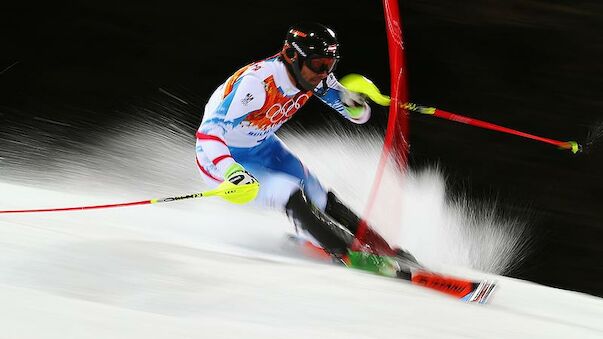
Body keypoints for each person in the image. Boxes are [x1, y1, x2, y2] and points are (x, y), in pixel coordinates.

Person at [195, 22, 412, 267]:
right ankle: (347, 253)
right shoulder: (257, 83)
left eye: (330, 66)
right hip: (219, 159)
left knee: (317, 192)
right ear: (291, 56)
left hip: (262, 145)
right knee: (289, 191)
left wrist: (357, 104)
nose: (324, 74)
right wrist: (231, 170)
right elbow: (208, 133)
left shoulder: (312, 76)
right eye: (319, 65)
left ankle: (384, 250)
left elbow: (358, 117)